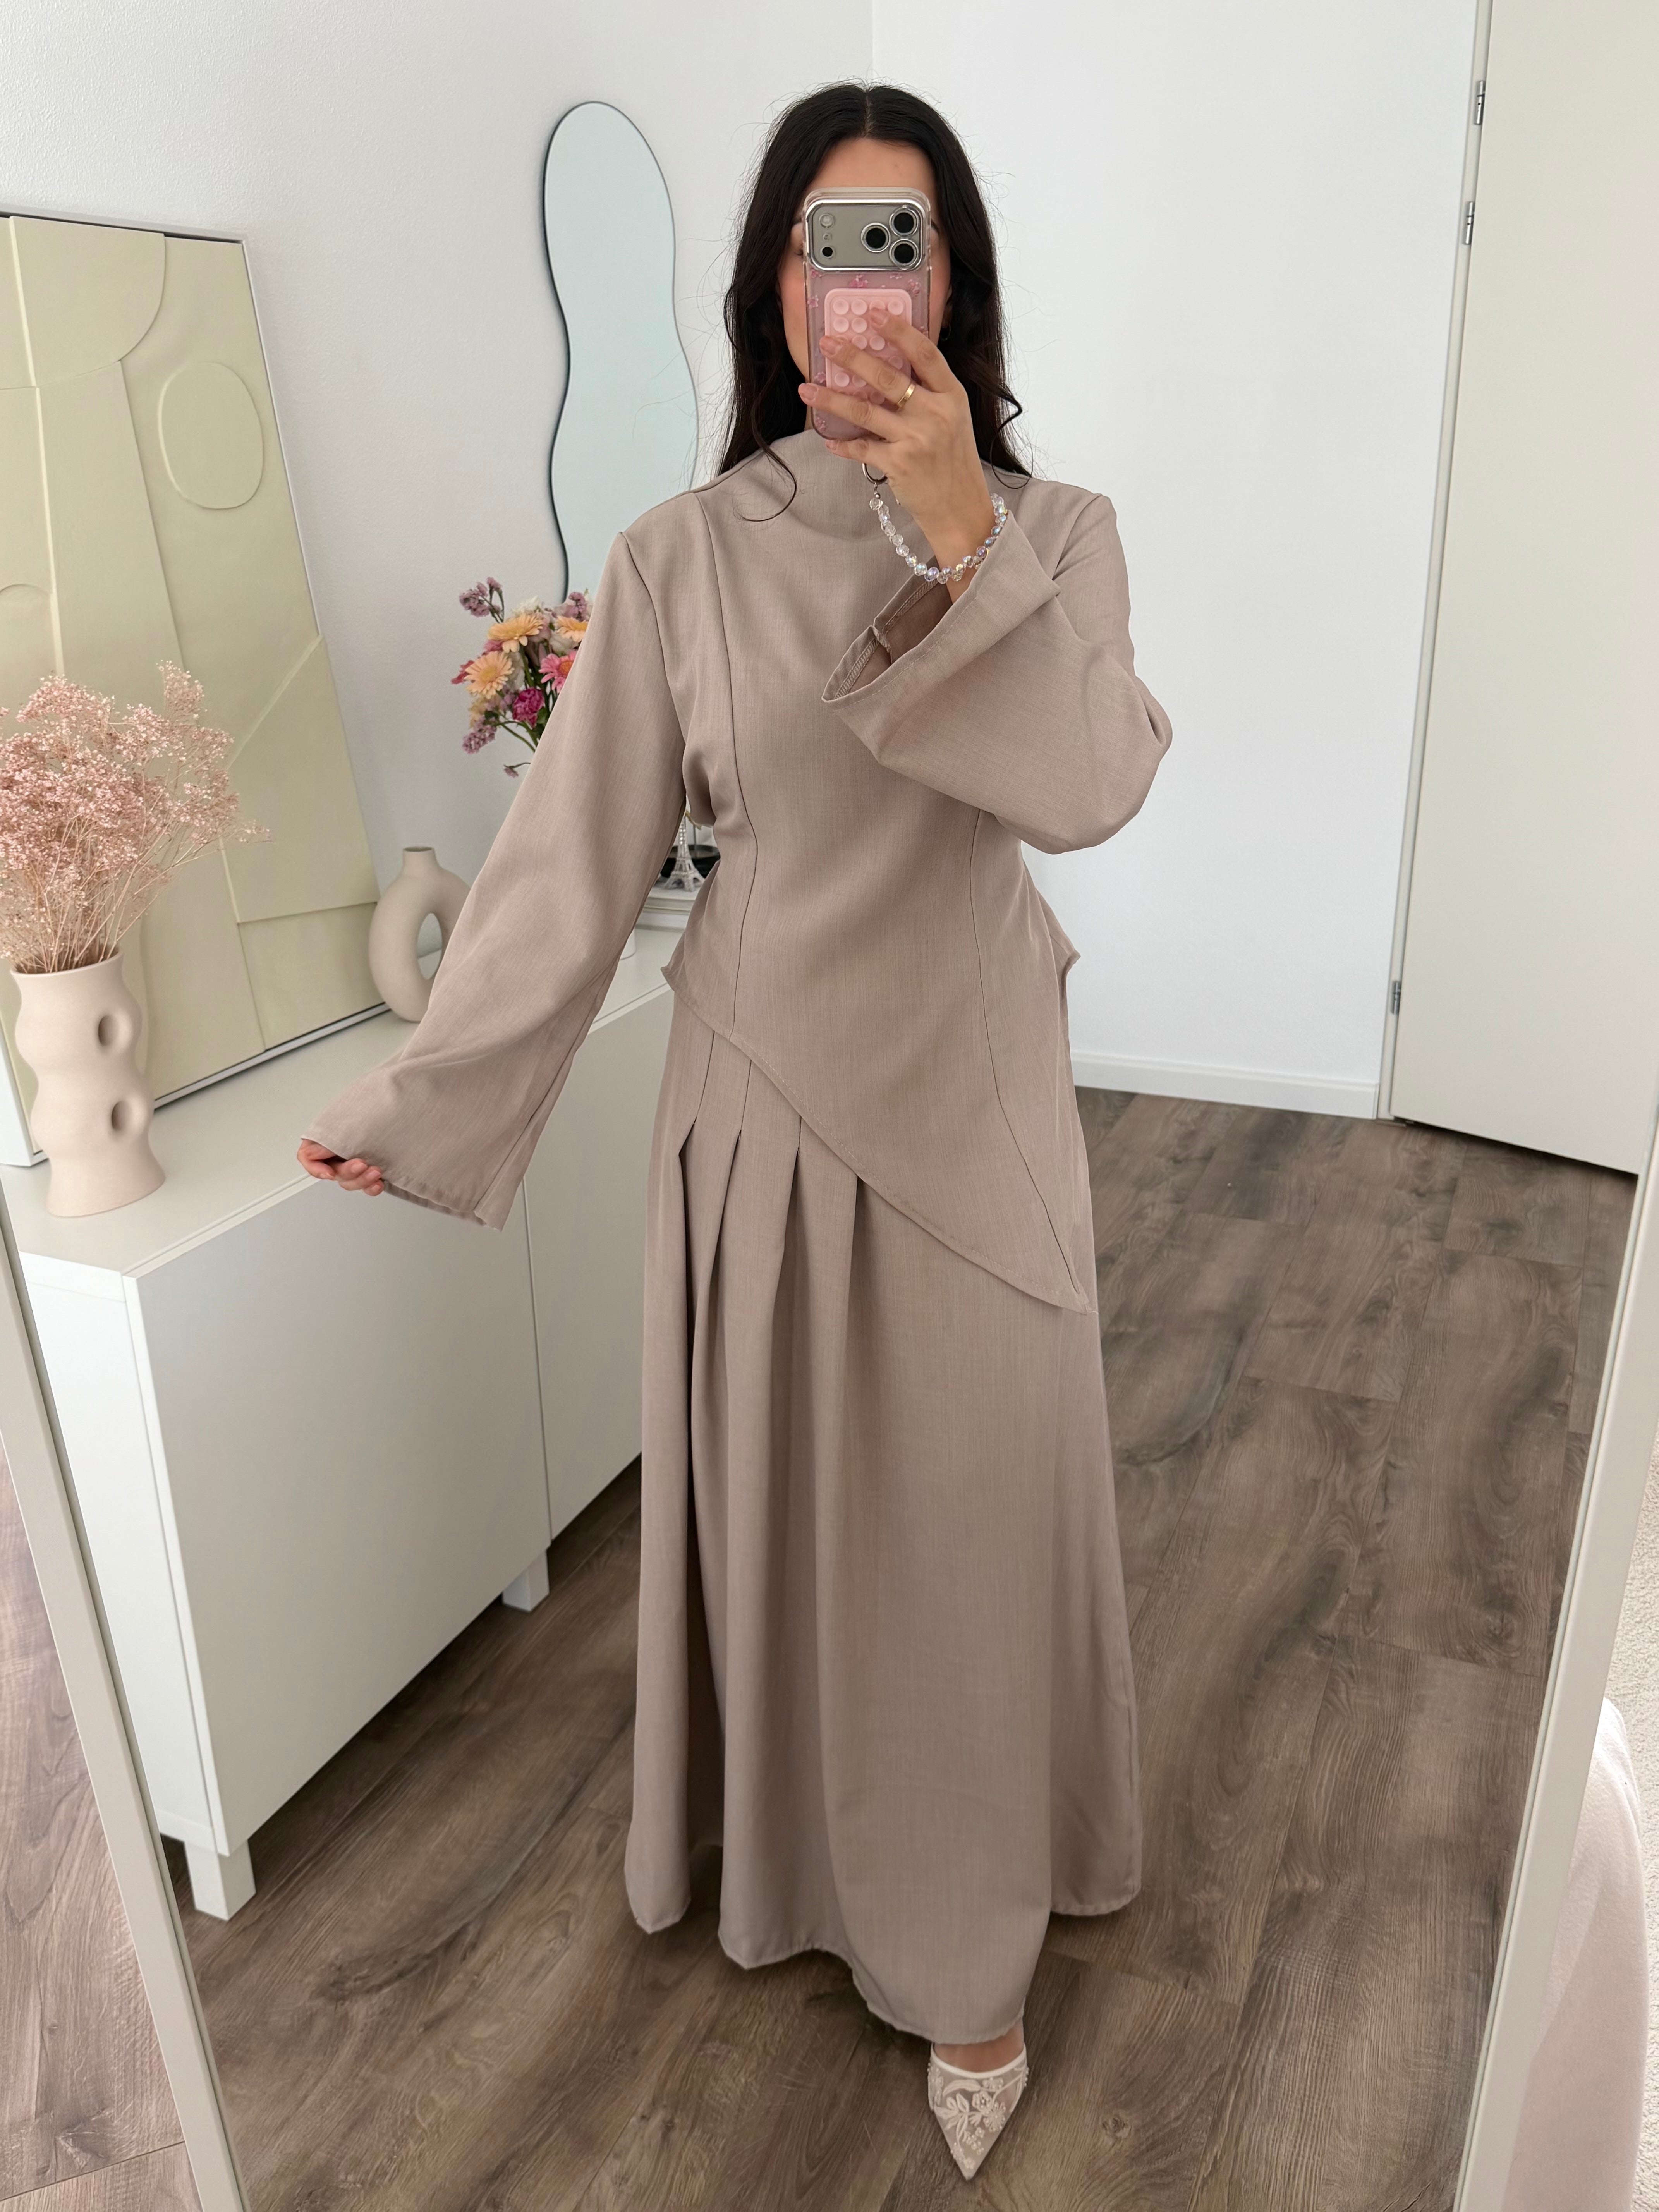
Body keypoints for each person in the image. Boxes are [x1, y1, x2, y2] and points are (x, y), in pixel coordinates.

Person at [299, 81, 1173, 2180]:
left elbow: (1088, 788)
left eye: (903, 240)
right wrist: (422, 1096)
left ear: (954, 284)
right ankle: (787, 1859)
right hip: (762, 1104)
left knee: (968, 1530)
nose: (862, 282)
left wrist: (961, 535)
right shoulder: (678, 555)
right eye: (822, 240)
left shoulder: (1059, 534)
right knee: (794, 1518)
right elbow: (572, 863)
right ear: (771, 286)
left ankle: (969, 1943)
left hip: (976, 1093)